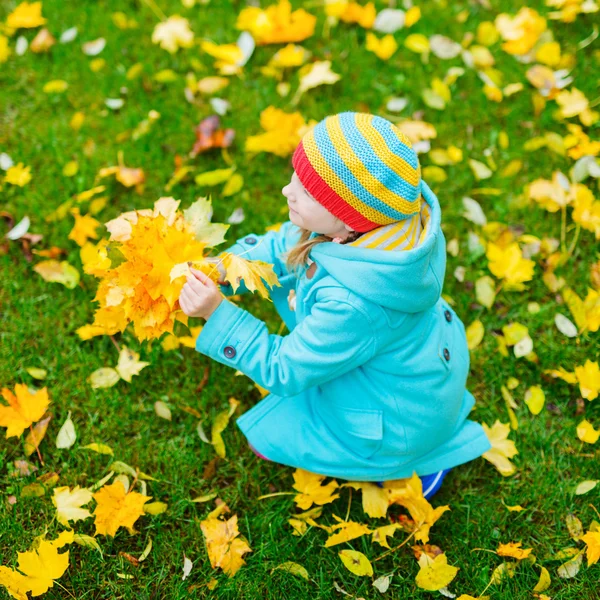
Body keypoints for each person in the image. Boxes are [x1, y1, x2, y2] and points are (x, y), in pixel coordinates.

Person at [178, 111, 491, 500]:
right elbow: (285, 247)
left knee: (271, 437)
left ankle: (403, 461)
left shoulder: (354, 305)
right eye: (296, 175)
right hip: (414, 373)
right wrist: (228, 268)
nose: (287, 191)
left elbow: (286, 368)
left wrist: (217, 314)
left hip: (397, 417)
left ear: (347, 221)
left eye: (307, 192)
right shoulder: (384, 225)